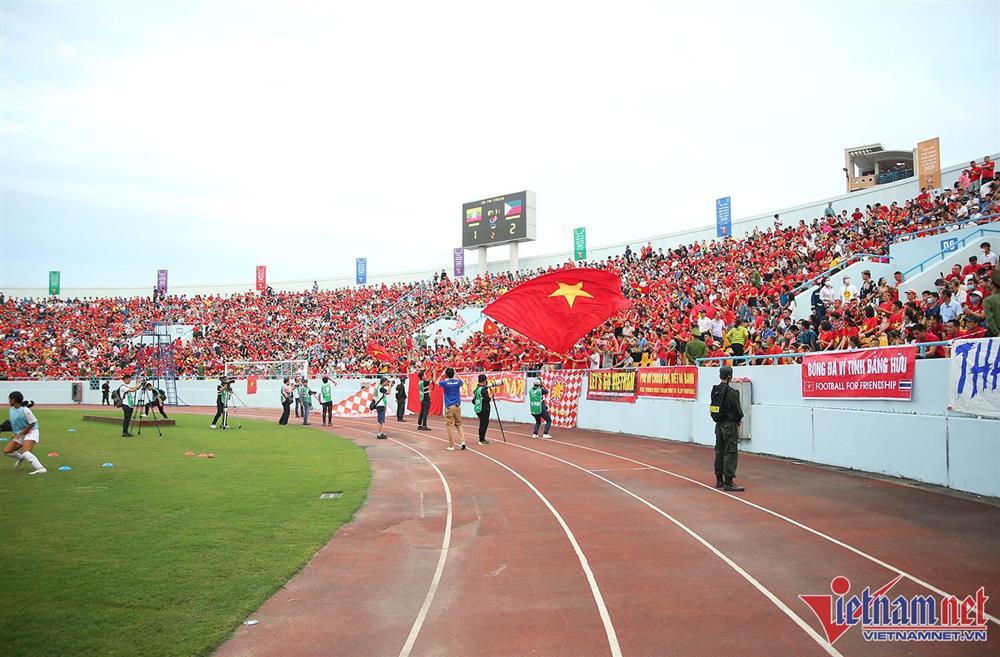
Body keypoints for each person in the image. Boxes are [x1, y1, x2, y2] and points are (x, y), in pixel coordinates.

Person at [710, 366, 744, 492]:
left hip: (718, 424)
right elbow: (738, 410)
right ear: (730, 376)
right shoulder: (731, 392)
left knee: (719, 450)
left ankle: (719, 479)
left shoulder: (715, 390)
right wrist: (738, 419)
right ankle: (728, 481)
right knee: (730, 451)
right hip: (729, 425)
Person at [2, 394, 45, 475]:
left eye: (9, 399)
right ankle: (21, 458)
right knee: (7, 451)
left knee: (25, 452)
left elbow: (32, 423)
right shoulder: (11, 410)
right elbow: (15, 424)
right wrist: (16, 434)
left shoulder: (25, 410)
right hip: (21, 433)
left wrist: (20, 434)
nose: (8, 401)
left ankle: (41, 468)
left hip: (31, 431)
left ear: (14, 400)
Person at [438, 367, 466, 450]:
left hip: (449, 407)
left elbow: (436, 382)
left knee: (449, 426)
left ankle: (451, 445)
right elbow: (463, 382)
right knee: (459, 424)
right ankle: (463, 441)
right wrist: (457, 374)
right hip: (457, 406)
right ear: (453, 374)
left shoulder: (445, 383)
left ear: (446, 374)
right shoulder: (457, 382)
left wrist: (442, 374)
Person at [117, 373, 141, 437]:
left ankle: (126, 432)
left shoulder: (126, 386)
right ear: (126, 379)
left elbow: (135, 388)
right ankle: (124, 432)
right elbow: (133, 390)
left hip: (129, 404)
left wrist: (140, 384)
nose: (130, 381)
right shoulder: (123, 387)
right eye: (129, 380)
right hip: (126, 405)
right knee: (126, 419)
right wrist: (137, 383)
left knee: (128, 419)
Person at [473, 374, 493, 446]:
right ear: (485, 381)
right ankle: (482, 439)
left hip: (478, 408)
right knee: (484, 423)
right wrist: (490, 396)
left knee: (483, 423)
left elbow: (473, 400)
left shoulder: (477, 389)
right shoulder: (483, 389)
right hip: (484, 408)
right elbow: (487, 399)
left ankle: (482, 438)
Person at [984, 270, 1000, 337]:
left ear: (993, 285)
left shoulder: (988, 300)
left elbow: (990, 319)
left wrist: (997, 333)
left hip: (997, 331)